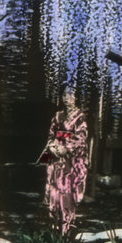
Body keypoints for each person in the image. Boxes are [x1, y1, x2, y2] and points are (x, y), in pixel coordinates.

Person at [39, 92, 88, 233]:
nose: (68, 99)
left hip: (70, 160)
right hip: (56, 156)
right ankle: (53, 224)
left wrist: (65, 148)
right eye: (65, 95)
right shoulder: (57, 115)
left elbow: (80, 138)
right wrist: (52, 147)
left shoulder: (80, 117)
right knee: (54, 188)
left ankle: (67, 226)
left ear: (76, 97)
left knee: (66, 189)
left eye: (72, 95)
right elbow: (51, 134)